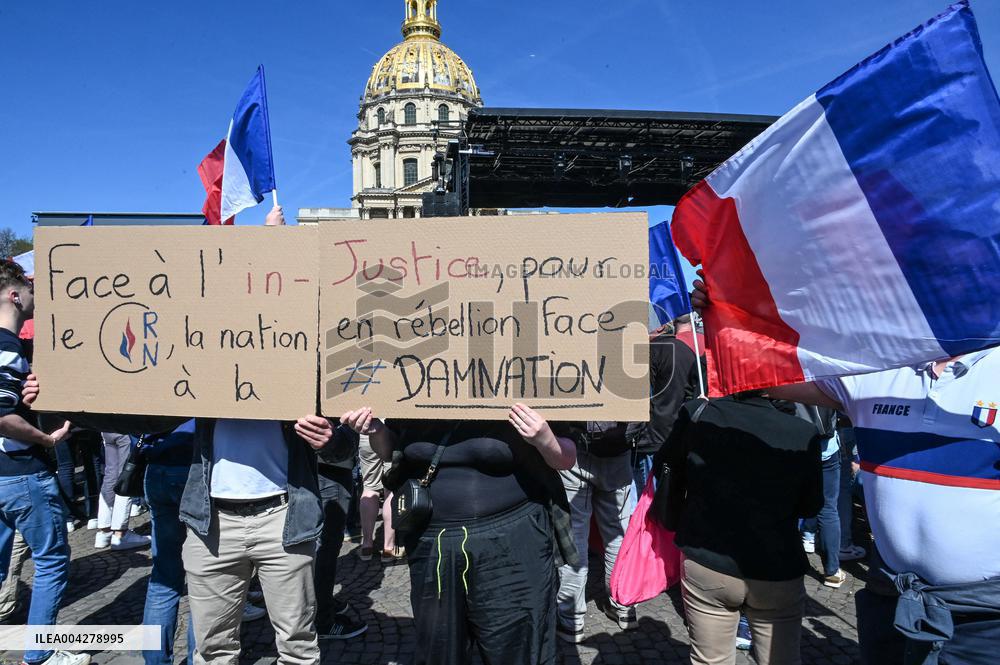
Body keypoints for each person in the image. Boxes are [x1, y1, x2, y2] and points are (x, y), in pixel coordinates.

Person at [26, 206, 335, 665]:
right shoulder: (205, 356)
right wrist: (61, 401)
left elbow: (345, 442)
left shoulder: (304, 361)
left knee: (298, 647)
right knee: (213, 648)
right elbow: (148, 417)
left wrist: (328, 437)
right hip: (212, 524)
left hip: (284, 520)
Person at [691, 272, 1000, 664]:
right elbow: (763, 375)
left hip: (984, 616)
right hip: (890, 596)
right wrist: (724, 313)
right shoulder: (876, 368)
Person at [341, 404, 577, 665]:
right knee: (439, 651)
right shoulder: (416, 389)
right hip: (433, 545)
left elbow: (565, 459)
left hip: (511, 546)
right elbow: (391, 450)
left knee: (517, 649)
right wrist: (375, 430)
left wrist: (543, 437)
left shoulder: (524, 383)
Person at [663, 393, 823, 665]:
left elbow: (668, 467)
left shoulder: (698, 415)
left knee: (710, 660)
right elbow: (810, 506)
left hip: (708, 560)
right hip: (776, 566)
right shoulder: (802, 432)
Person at [0, 259, 86, 665]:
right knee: (51, 561)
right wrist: (46, 439)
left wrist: (26, 397)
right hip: (21, 475)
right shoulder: (7, 344)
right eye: (29, 288)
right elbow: (1, 416)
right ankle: (41, 653)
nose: (35, 295)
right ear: (15, 295)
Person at [553, 421, 637, 643]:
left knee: (575, 537)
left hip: (576, 450)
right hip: (617, 452)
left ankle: (572, 619)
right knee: (617, 535)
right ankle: (623, 606)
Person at [630, 316, 700, 491]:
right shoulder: (688, 351)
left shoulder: (652, 350)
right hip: (676, 435)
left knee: (646, 503)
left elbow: (640, 395)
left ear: (659, 328)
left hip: (651, 437)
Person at [314, 425, 367, 639]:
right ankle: (322, 621)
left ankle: (322, 602)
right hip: (329, 469)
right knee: (323, 552)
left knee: (325, 551)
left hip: (332, 467)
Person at [94, 432, 149, 551]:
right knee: (126, 476)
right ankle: (120, 533)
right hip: (125, 430)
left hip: (106, 428)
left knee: (110, 476)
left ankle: (104, 531)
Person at [357, 434, 400, 562]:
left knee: (369, 488)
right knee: (391, 490)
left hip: (367, 433)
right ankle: (388, 548)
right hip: (390, 433)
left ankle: (366, 546)